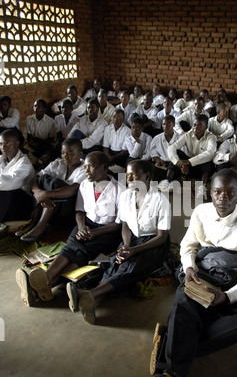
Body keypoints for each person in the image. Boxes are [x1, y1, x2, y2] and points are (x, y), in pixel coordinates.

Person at [127, 168, 237, 377]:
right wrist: (190, 269)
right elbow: (188, 245)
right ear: (209, 193)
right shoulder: (201, 212)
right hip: (202, 272)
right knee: (184, 303)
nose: (223, 198)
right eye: (217, 192)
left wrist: (228, 296)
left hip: (233, 278)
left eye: (230, 193)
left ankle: (170, 345)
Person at [66, 159, 171, 324]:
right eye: (127, 175)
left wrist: (134, 250)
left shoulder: (160, 200)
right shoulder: (126, 196)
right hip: (132, 239)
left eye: (133, 175)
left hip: (153, 243)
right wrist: (127, 246)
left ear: (147, 176)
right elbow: (125, 226)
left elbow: (162, 237)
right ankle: (93, 303)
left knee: (131, 266)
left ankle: (89, 294)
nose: (128, 179)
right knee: (114, 262)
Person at [20, 152, 125, 304]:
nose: (86, 170)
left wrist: (95, 232)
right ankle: (45, 284)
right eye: (85, 167)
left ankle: (44, 282)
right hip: (86, 225)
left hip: (106, 232)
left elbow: (118, 223)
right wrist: (82, 227)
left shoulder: (119, 190)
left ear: (104, 167)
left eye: (91, 166)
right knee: (73, 245)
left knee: (82, 251)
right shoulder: (84, 185)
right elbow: (80, 211)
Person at [17, 138, 86, 243]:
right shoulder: (57, 163)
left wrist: (44, 194)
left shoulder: (85, 168)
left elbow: (73, 189)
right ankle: (35, 222)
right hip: (52, 206)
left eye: (70, 153)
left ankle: (42, 224)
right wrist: (37, 192)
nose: (65, 156)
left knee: (55, 183)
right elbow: (36, 177)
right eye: (63, 153)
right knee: (43, 179)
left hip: (68, 209)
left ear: (80, 153)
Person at [159, 114, 217, 199]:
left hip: (203, 171)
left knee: (207, 159)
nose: (196, 128)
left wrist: (189, 161)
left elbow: (210, 153)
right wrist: (179, 163)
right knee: (177, 153)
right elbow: (171, 148)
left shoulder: (211, 137)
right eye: (194, 125)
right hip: (188, 168)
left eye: (200, 125)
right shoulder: (188, 135)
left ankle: (201, 187)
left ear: (206, 127)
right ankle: (168, 181)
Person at [0, 129, 35, 236]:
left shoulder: (24, 164)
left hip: (21, 205)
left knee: (10, 190)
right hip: (6, 202)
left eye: (8, 144)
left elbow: (9, 183)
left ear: (17, 143)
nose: (4, 148)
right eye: (1, 144)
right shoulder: (2, 159)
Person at [24, 98, 56, 168]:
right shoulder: (29, 119)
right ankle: (37, 161)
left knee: (51, 150)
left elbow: (50, 139)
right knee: (23, 149)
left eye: (39, 106)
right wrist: (31, 142)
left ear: (44, 109)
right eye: (35, 106)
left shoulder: (50, 121)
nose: (36, 108)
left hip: (44, 143)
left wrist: (40, 144)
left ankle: (40, 162)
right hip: (33, 142)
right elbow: (29, 136)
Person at [150, 115, 181, 182]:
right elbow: (153, 153)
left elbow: (181, 154)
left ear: (174, 124)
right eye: (164, 124)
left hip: (174, 166)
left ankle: (167, 181)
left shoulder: (180, 138)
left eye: (169, 124)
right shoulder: (157, 138)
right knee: (153, 171)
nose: (166, 127)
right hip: (162, 165)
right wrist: (158, 160)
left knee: (173, 167)